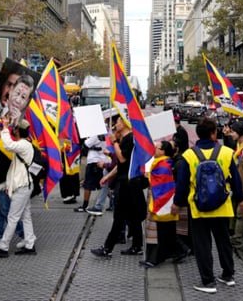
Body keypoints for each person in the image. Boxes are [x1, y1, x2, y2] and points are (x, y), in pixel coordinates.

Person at [173, 118, 243, 294]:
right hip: (223, 206)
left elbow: (182, 184)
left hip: (198, 208)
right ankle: (228, 275)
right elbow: (236, 180)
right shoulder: (227, 153)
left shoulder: (188, 156)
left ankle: (208, 281)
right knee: (223, 241)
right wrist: (241, 199)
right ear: (214, 134)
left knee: (202, 245)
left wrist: (177, 203)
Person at [91, 114, 147, 259]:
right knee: (133, 217)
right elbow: (121, 165)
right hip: (127, 181)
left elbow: (122, 158)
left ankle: (107, 248)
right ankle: (137, 246)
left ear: (126, 124)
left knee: (119, 216)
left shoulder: (129, 140)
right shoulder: (126, 139)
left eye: (119, 121)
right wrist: (108, 177)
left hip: (127, 184)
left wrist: (114, 141)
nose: (116, 124)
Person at [0, 117, 38, 258]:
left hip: (23, 186)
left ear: (17, 131)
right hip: (23, 185)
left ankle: (3, 247)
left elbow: (8, 145)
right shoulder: (25, 144)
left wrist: (5, 128)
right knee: (25, 216)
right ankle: (30, 243)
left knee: (12, 217)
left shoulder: (23, 144)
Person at [141, 140, 178, 267]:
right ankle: (174, 252)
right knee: (165, 232)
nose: (154, 149)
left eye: (157, 148)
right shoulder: (161, 162)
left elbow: (160, 184)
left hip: (162, 202)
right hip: (161, 201)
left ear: (163, 152)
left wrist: (148, 175)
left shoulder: (163, 165)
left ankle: (156, 258)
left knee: (160, 232)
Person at [76, 133, 109, 214]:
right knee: (104, 184)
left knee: (88, 185)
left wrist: (87, 138)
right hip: (104, 160)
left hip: (93, 161)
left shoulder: (96, 134)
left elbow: (86, 144)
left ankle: (85, 206)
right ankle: (112, 203)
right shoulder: (107, 133)